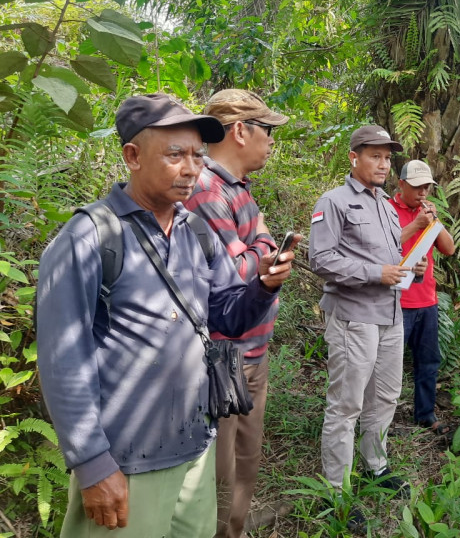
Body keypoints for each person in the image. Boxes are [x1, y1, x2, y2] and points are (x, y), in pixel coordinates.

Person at [36, 94, 296, 536]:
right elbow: (63, 365)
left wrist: (263, 286)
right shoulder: (89, 237)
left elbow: (227, 317)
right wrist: (93, 465)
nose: (192, 167)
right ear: (132, 157)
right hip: (127, 461)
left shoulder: (194, 231)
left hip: (195, 450)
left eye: (197, 155)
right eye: (175, 154)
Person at [183, 89, 298, 538]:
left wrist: (260, 249)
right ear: (239, 131)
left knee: (246, 459)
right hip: (222, 356)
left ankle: (234, 529)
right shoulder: (207, 192)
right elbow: (234, 274)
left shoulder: (238, 191)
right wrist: (265, 246)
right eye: (267, 130)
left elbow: (254, 261)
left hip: (252, 351)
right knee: (218, 469)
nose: (271, 140)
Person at [308, 125, 426, 529]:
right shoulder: (334, 201)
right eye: (374, 155)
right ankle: (336, 490)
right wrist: (377, 272)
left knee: (386, 397)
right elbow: (320, 260)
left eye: (387, 157)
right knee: (347, 404)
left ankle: (375, 465)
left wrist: (409, 268)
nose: (383, 163)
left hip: (391, 316)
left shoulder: (387, 205)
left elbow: (390, 254)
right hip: (354, 317)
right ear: (353, 158)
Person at [389, 160, 455, 434]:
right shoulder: (387, 210)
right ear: (401, 184)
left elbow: (449, 249)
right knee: (390, 365)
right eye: (416, 187)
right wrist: (417, 224)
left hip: (427, 301)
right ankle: (383, 419)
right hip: (396, 302)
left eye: (426, 187)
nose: (422, 192)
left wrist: (434, 222)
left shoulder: (428, 213)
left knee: (428, 361)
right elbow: (382, 247)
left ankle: (425, 413)